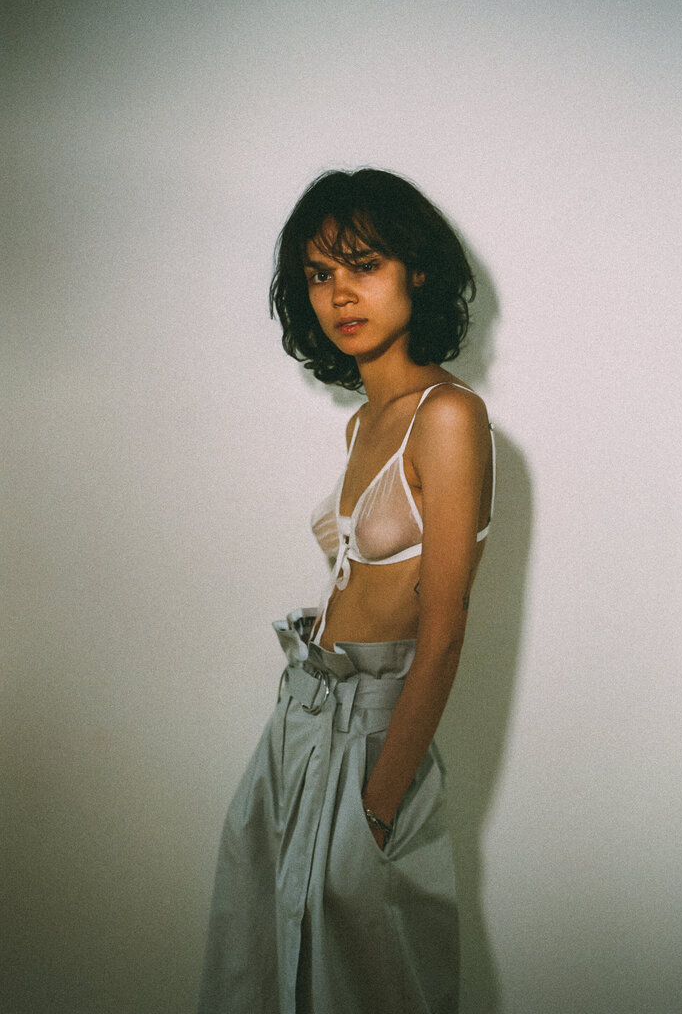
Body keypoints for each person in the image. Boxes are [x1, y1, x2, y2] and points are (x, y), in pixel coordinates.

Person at [197, 168, 495, 1014]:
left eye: (364, 264)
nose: (340, 293)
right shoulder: (365, 421)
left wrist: (379, 808)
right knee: (263, 971)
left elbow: (443, 630)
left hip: (373, 736)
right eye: (319, 274)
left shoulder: (448, 416)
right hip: (300, 718)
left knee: (366, 984)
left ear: (417, 270)